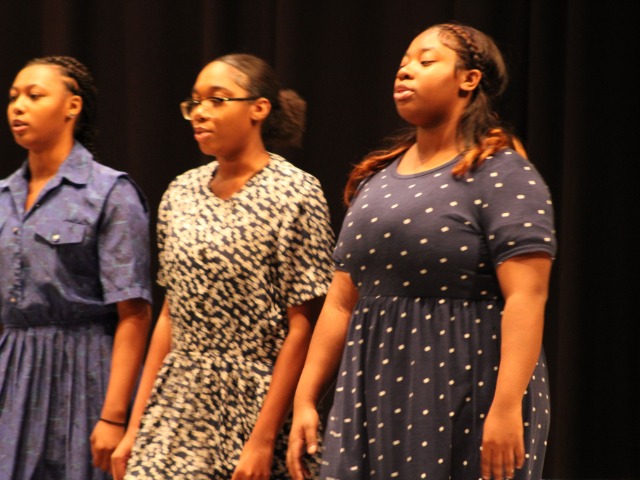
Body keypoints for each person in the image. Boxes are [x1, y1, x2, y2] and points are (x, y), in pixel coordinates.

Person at [286, 22, 557, 480]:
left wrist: (507, 406)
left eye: (426, 61)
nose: (405, 71)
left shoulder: (502, 172)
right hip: (374, 388)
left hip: (467, 386)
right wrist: (306, 397)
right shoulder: (376, 181)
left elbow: (526, 296)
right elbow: (341, 301)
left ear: (468, 79)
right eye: (403, 63)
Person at [111, 53, 335, 479]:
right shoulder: (180, 192)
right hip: (177, 399)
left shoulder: (296, 192)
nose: (200, 112)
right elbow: (170, 315)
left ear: (258, 108)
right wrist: (135, 427)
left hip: (257, 400)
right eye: (194, 102)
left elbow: (303, 325)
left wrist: (263, 440)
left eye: (216, 99)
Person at [0, 56, 153, 480]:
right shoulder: (3, 197)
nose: (18, 106)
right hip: (13, 373)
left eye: (35, 95)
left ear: (72, 106)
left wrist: (114, 416)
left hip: (83, 374)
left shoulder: (110, 192)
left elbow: (134, 313)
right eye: (13, 97)